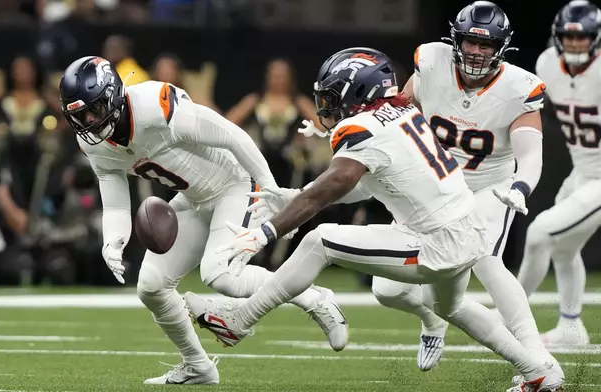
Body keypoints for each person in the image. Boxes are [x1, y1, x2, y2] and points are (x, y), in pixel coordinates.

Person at [183, 47, 565, 392]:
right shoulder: (399, 112)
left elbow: (336, 185)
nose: (325, 107)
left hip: (437, 242)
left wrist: (268, 231)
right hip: (461, 230)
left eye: (332, 97)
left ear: (358, 93)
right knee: (450, 307)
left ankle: (240, 320)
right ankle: (537, 371)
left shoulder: (363, 129)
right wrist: (296, 198)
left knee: (321, 241)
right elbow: (366, 185)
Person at [58, 56, 348, 385]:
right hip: (193, 197)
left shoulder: (154, 106)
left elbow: (232, 135)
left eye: (92, 110)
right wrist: (114, 239)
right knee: (151, 286)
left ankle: (314, 298)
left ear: (112, 95)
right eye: (79, 115)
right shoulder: (93, 142)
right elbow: (113, 198)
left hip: (235, 185)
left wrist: (269, 188)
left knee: (221, 274)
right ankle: (197, 365)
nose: (88, 121)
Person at [364, 0, 555, 373]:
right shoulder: (432, 64)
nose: (477, 51)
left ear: (501, 47)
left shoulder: (519, 88)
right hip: (434, 187)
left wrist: (520, 187)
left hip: (490, 187)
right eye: (471, 42)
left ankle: (537, 357)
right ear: (457, 40)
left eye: (486, 45)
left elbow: (531, 156)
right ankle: (432, 320)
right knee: (386, 291)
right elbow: (398, 113)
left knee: (485, 258)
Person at [517, 0, 601, 346]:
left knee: (540, 233)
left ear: (596, 39)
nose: (574, 45)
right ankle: (571, 327)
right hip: (580, 174)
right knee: (563, 251)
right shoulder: (546, 64)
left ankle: (511, 313)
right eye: (568, 39)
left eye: (582, 38)